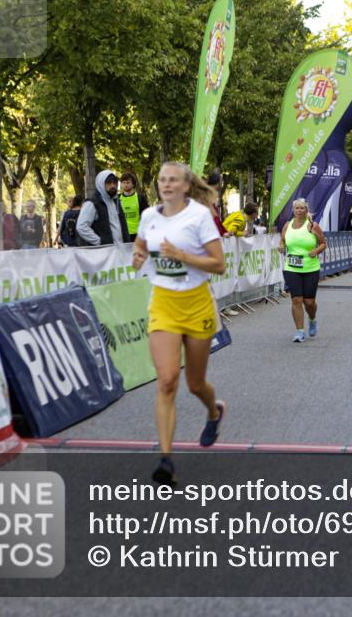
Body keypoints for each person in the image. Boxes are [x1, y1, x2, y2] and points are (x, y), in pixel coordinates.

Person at [131, 161, 227, 486]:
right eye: (162, 180)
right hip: (163, 303)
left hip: (196, 303)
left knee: (195, 384)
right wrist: (138, 256)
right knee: (167, 381)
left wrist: (182, 256)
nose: (167, 184)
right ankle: (166, 460)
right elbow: (141, 244)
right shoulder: (149, 216)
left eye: (173, 180)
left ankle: (214, 411)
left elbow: (219, 264)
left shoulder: (199, 216)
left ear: (186, 186)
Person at [280, 197, 326, 342]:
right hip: (291, 267)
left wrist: (316, 251)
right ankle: (299, 331)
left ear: (306, 210)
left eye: (302, 208)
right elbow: (283, 240)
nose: (299, 210)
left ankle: (312, 319)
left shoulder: (312, 226)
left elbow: (323, 244)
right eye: (296, 208)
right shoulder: (287, 225)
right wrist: (281, 246)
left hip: (310, 268)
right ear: (293, 210)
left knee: (309, 302)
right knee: (296, 299)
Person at [76, 170, 130, 246]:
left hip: (120, 249)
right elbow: (81, 227)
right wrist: (100, 242)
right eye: (109, 183)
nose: (113, 186)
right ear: (101, 184)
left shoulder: (116, 202)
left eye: (114, 182)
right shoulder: (92, 204)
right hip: (104, 251)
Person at [119, 172, 150, 242]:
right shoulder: (117, 199)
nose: (125, 185)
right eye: (123, 182)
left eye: (128, 182)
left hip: (137, 235)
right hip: (122, 235)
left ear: (133, 184)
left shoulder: (140, 198)